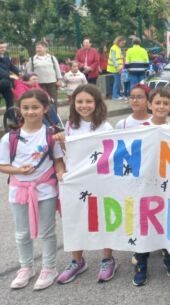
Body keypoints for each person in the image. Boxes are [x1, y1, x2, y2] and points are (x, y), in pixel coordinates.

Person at [0, 89, 65, 290]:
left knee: (47, 232)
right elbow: (2, 165)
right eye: (26, 107)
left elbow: (58, 162)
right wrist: (19, 170)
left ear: (45, 108)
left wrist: (62, 174)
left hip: (45, 189)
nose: (30, 112)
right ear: (20, 109)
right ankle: (26, 267)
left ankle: (49, 268)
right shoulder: (9, 138)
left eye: (35, 107)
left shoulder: (50, 135)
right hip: (18, 191)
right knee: (21, 233)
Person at [54, 84, 116, 284]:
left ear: (97, 103)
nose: (84, 105)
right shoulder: (70, 124)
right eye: (80, 101)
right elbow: (68, 151)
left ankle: (107, 258)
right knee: (76, 220)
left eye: (89, 101)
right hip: (76, 181)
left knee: (103, 218)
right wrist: (61, 142)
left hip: (100, 180)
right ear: (74, 103)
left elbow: (112, 152)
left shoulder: (104, 126)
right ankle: (77, 261)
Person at [133, 88, 170, 286]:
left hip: (167, 185)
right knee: (142, 221)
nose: (161, 106)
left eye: (165, 103)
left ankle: (168, 254)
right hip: (143, 185)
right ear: (150, 105)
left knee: (165, 220)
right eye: (157, 102)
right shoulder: (138, 129)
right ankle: (140, 260)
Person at [26, 41, 62, 108]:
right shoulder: (32, 59)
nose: (37, 49)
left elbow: (57, 69)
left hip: (52, 83)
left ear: (46, 49)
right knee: (42, 100)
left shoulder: (52, 58)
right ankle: (44, 117)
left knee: (53, 100)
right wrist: (30, 81)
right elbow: (29, 72)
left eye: (39, 47)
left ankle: (54, 116)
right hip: (39, 84)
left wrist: (59, 79)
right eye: (36, 48)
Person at [106, 36, 126, 100]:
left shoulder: (117, 48)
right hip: (115, 68)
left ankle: (118, 95)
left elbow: (119, 58)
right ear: (119, 41)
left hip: (118, 68)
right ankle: (115, 96)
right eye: (122, 43)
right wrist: (118, 67)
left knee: (118, 82)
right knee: (117, 82)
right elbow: (113, 59)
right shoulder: (114, 48)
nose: (123, 45)